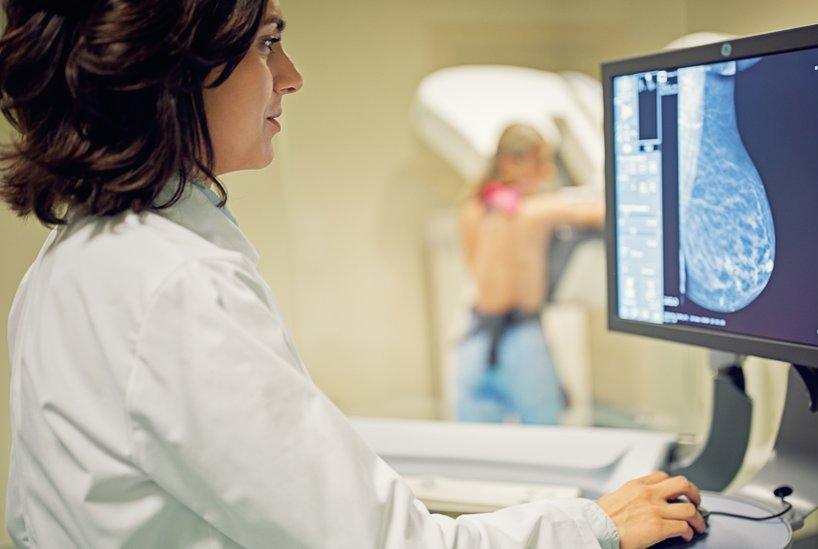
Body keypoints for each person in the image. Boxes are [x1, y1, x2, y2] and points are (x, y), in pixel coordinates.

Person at [0, 0, 705, 547]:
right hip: (504, 340)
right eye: (268, 42)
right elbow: (392, 543)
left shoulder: (68, 264)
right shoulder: (173, 286)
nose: (291, 76)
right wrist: (594, 526)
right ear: (174, 65)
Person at [456, 124, 602, 424]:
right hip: (520, 339)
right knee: (545, 433)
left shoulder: (471, 211)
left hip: (474, 339)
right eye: (542, 161)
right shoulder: (536, 212)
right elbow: (603, 213)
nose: (548, 172)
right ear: (512, 163)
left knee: (477, 445)